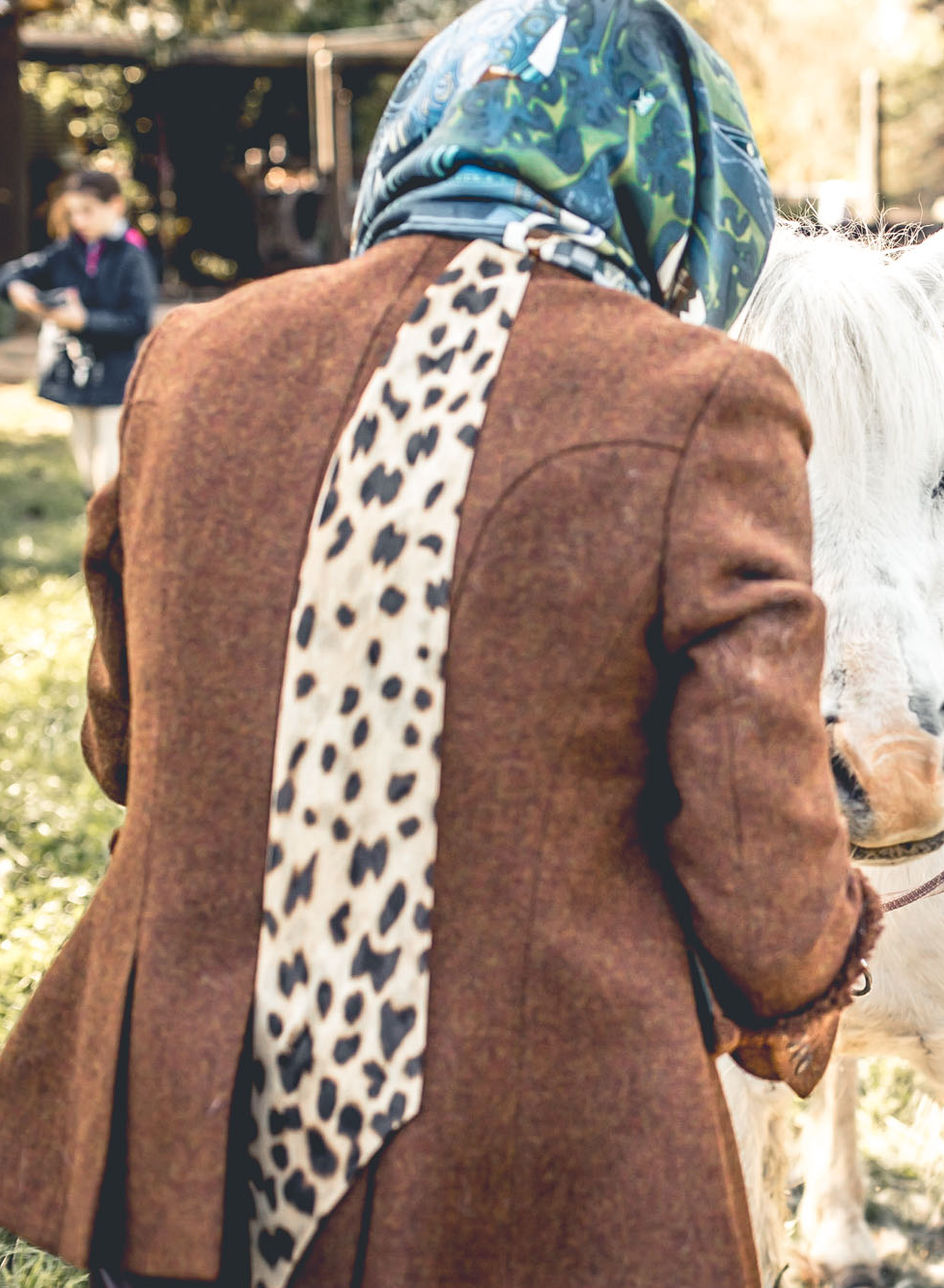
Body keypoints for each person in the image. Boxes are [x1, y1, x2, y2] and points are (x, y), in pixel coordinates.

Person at [0, 3, 880, 1286]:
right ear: (683, 175)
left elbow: (125, 742)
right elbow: (754, 850)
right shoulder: (703, 398)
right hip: (535, 1151)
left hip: (195, 1127)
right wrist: (810, 981)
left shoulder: (191, 357)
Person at [1, 169, 156, 495]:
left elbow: (138, 321)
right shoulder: (66, 250)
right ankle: (97, 536)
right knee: (86, 469)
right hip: (74, 372)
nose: (79, 221)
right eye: (72, 213)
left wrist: (84, 321)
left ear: (115, 205)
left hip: (115, 375)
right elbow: (13, 272)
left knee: (109, 472)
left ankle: (116, 538)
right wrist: (17, 288)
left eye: (87, 211)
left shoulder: (132, 256)